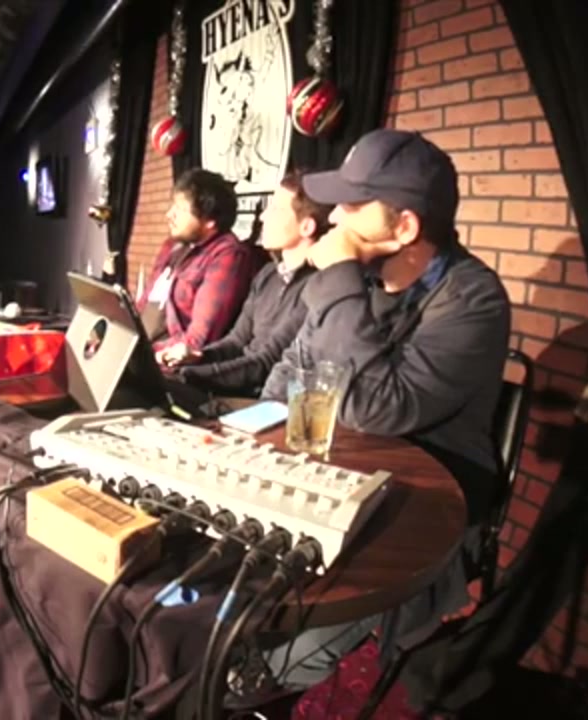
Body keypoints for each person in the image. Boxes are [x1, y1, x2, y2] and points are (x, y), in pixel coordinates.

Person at [240, 129, 512, 702]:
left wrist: (337, 279)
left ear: (404, 228)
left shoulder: (472, 300)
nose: (336, 216)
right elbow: (288, 373)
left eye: (353, 205)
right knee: (224, 589)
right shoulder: (356, 283)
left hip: (424, 505)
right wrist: (247, 442)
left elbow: (378, 408)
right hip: (334, 473)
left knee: (276, 658)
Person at [157, 171, 327, 399]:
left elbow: (265, 362)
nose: (263, 216)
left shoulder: (318, 286)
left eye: (276, 209)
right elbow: (236, 342)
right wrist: (197, 357)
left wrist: (187, 376)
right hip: (235, 389)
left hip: (266, 401)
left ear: (306, 227)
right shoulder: (268, 274)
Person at [138, 169, 259, 356]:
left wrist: (140, 353)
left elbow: (198, 340)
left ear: (209, 220)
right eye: (172, 206)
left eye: (180, 210)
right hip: (139, 348)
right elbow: (142, 306)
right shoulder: (172, 246)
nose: (169, 214)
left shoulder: (228, 255)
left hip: (167, 362)